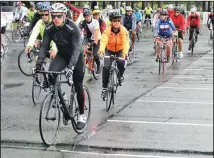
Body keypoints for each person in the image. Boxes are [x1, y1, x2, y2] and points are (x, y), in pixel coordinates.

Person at [35, 3, 86, 130]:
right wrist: (38, 65)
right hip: (62, 55)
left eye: (58, 16)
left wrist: (71, 67)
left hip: (76, 56)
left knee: (78, 84)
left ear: (64, 15)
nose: (55, 19)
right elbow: (44, 47)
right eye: (53, 16)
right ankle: (62, 95)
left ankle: (81, 115)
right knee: (51, 75)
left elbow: (77, 48)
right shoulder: (49, 28)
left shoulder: (72, 27)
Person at [98, 12, 129, 100]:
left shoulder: (123, 30)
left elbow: (125, 43)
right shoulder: (107, 30)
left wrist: (125, 54)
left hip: (120, 49)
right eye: (114, 21)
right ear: (111, 21)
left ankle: (120, 76)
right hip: (109, 50)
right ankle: (104, 88)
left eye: (118, 20)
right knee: (106, 67)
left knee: (121, 62)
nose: (116, 22)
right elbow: (103, 41)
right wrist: (101, 51)